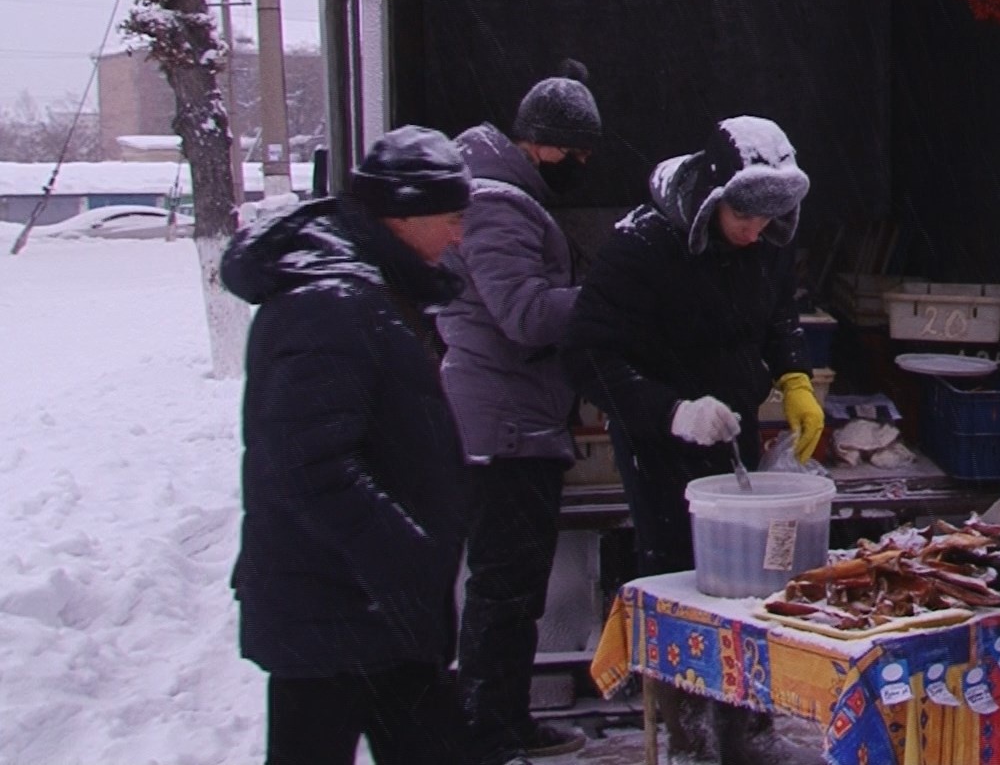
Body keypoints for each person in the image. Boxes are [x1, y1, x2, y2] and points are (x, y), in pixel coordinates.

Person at [221, 126, 495, 765]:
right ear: (404, 214)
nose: (460, 236)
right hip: (342, 608)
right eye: (452, 218)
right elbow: (312, 466)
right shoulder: (331, 305)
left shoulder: (362, 291)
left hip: (360, 614)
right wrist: (405, 559)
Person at [563, 115, 823, 764]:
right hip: (661, 440)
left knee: (758, 577)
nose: (756, 233)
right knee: (682, 577)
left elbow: (779, 310)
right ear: (713, 197)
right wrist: (673, 411)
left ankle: (748, 714)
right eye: (745, 219)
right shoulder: (643, 245)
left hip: (735, 425)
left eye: (770, 223)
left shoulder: (766, 236)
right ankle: (688, 728)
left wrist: (793, 375)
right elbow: (587, 352)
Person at [437, 67, 602, 763]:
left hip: (511, 418)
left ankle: (501, 717)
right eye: (578, 154)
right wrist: (603, 299)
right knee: (505, 590)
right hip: (502, 428)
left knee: (509, 588)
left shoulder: (496, 193)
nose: (583, 167)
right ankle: (490, 732)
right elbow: (526, 314)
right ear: (543, 143)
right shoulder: (500, 206)